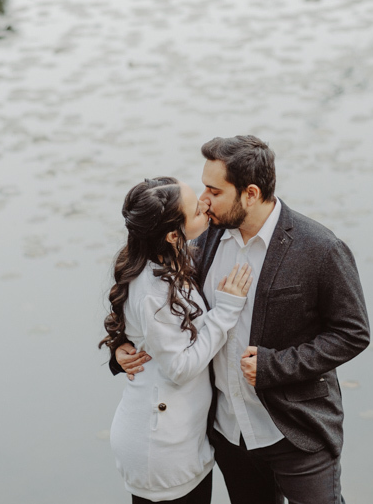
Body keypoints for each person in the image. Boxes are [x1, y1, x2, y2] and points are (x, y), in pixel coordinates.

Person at [114, 137, 371, 504]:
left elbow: (352, 333)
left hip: (296, 430)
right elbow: (152, 297)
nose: (203, 200)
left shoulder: (320, 249)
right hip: (229, 435)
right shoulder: (203, 240)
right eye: (202, 187)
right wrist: (122, 346)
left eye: (214, 190)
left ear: (250, 193)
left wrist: (275, 365)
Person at [101, 176, 255, 504]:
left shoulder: (165, 258)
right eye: (196, 210)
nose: (205, 204)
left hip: (183, 435)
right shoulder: (151, 293)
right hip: (159, 445)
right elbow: (180, 367)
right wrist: (227, 311)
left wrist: (120, 348)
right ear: (173, 234)